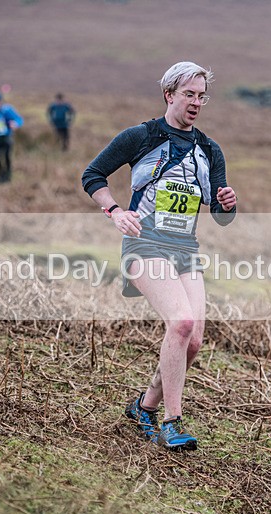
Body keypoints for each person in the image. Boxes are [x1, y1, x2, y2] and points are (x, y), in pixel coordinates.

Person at [81, 61, 237, 451]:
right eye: (189, 94)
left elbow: (221, 218)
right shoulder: (142, 135)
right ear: (169, 94)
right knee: (181, 323)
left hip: (185, 249)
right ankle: (171, 421)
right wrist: (115, 211)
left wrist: (227, 204)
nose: (197, 102)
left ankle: (144, 407)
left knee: (195, 340)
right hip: (144, 244)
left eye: (202, 95)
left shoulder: (209, 150)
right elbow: (92, 176)